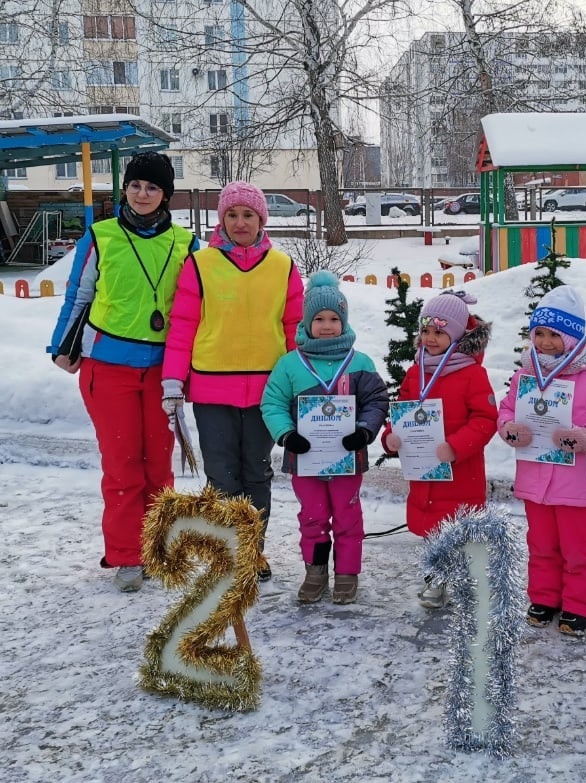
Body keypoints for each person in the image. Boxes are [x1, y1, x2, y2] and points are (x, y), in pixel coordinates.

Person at [48, 153, 197, 593]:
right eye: (135, 186)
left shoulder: (186, 243)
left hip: (163, 371)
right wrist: (62, 345)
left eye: (152, 187)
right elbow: (79, 295)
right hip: (107, 367)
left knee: (159, 465)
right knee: (122, 464)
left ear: (165, 194)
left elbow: (195, 309)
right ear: (125, 189)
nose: (142, 194)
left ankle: (157, 547)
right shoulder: (102, 236)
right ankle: (127, 554)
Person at [162, 181, 304, 582]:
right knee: (221, 475)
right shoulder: (201, 265)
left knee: (257, 472)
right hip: (212, 388)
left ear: (262, 219)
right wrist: (173, 380)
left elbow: (293, 328)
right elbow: (183, 326)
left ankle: (252, 551)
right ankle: (227, 551)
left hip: (267, 391)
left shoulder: (282, 267)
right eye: (232, 214)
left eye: (248, 215)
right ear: (221, 219)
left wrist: (300, 383)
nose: (240, 223)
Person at [498, 286, 586, 638]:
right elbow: (507, 410)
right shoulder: (525, 376)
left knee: (578, 549)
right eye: (539, 333)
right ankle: (544, 599)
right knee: (541, 545)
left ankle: (578, 606)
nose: (544, 342)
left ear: (572, 337)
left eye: (554, 335)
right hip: (534, 481)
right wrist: (509, 429)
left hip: (576, 485)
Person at [261, 271, 389, 604]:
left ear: (344, 321)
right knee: (313, 517)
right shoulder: (290, 364)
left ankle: (347, 573)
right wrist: (287, 434)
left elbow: (377, 401)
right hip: (306, 461)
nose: (327, 325)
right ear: (307, 321)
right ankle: (315, 571)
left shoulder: (360, 362)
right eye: (319, 319)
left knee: (348, 516)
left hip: (348, 460)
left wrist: (364, 430)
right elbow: (272, 403)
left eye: (334, 318)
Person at [381, 290, 498, 609]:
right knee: (432, 528)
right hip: (425, 470)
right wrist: (391, 437)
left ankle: (462, 579)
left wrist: (456, 447)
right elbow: (402, 413)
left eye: (439, 332)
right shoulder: (415, 372)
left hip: (460, 472)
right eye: (426, 330)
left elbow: (486, 419)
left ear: (457, 335)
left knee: (457, 530)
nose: (430, 338)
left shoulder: (473, 374)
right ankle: (436, 579)